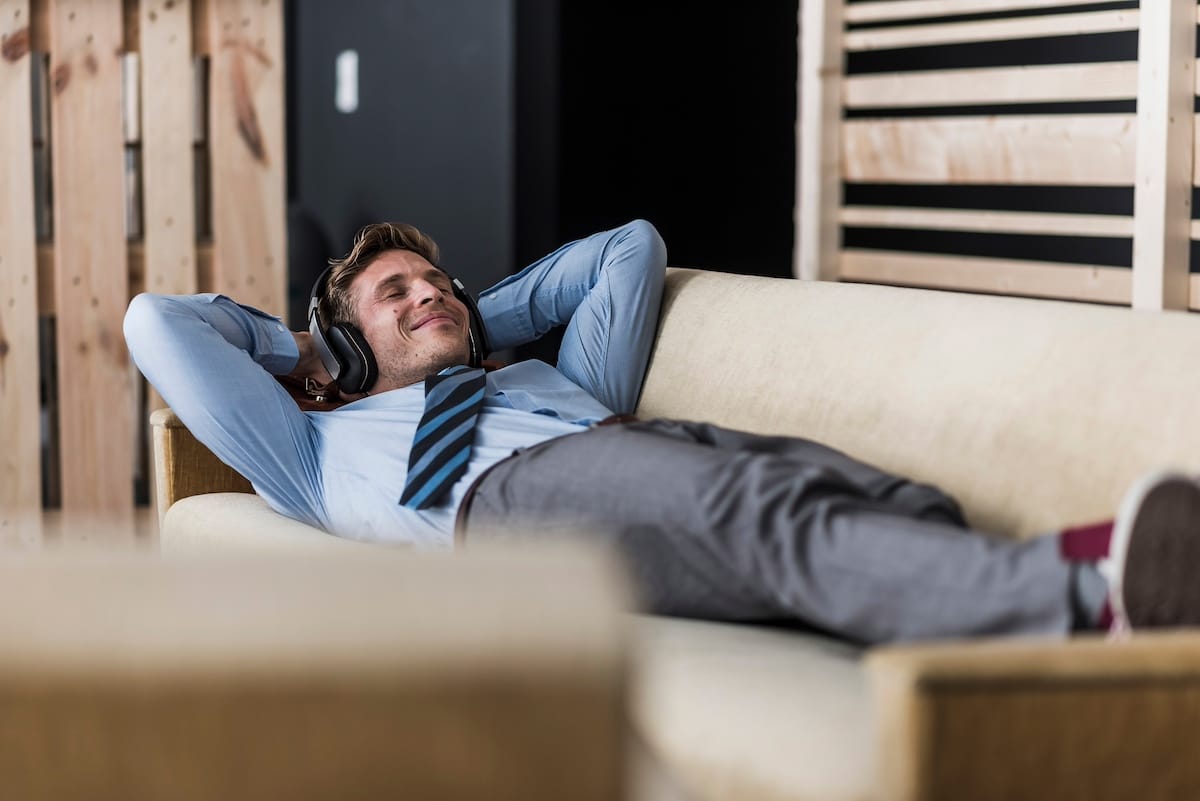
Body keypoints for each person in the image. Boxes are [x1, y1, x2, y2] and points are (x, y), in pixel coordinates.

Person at [125, 219, 1200, 644]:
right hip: (502, 510)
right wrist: (311, 356)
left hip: (637, 448)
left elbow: (625, 252)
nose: (425, 294)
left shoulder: (551, 375)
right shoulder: (312, 450)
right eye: (392, 294)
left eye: (435, 280)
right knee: (762, 514)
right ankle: (1094, 595)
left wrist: (463, 322)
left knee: (902, 502)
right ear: (344, 351)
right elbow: (155, 324)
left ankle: (1085, 588)